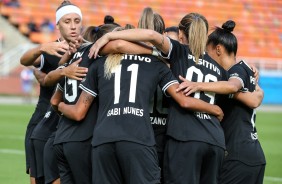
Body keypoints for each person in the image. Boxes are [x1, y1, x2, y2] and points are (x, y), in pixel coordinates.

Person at [89, 12, 228, 184]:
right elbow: (235, 87)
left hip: (181, 136)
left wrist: (109, 36)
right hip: (214, 138)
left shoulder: (177, 51)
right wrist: (215, 108)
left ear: (180, 34)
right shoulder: (219, 69)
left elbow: (148, 36)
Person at [57, 51, 224, 184]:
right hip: (138, 137)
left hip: (103, 141)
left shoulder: (100, 64)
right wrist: (215, 109)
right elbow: (183, 100)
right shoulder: (155, 63)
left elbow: (79, 109)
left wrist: (60, 105)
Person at [177, 20, 266, 184]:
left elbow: (234, 88)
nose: (205, 56)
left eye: (207, 50)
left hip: (237, 155)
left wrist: (198, 85)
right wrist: (259, 92)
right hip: (252, 153)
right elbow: (254, 98)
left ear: (218, 49)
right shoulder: (244, 69)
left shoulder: (235, 71)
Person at [19, 0, 83, 183]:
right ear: (58, 24)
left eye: (77, 21)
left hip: (70, 120)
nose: (73, 26)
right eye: (67, 21)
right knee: (38, 176)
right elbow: (25, 60)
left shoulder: (88, 48)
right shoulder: (52, 49)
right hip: (44, 119)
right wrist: (41, 48)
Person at [50, 23, 121, 184]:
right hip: (83, 139)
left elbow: (54, 100)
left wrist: (60, 106)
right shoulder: (98, 61)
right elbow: (78, 113)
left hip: (61, 139)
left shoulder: (76, 57)